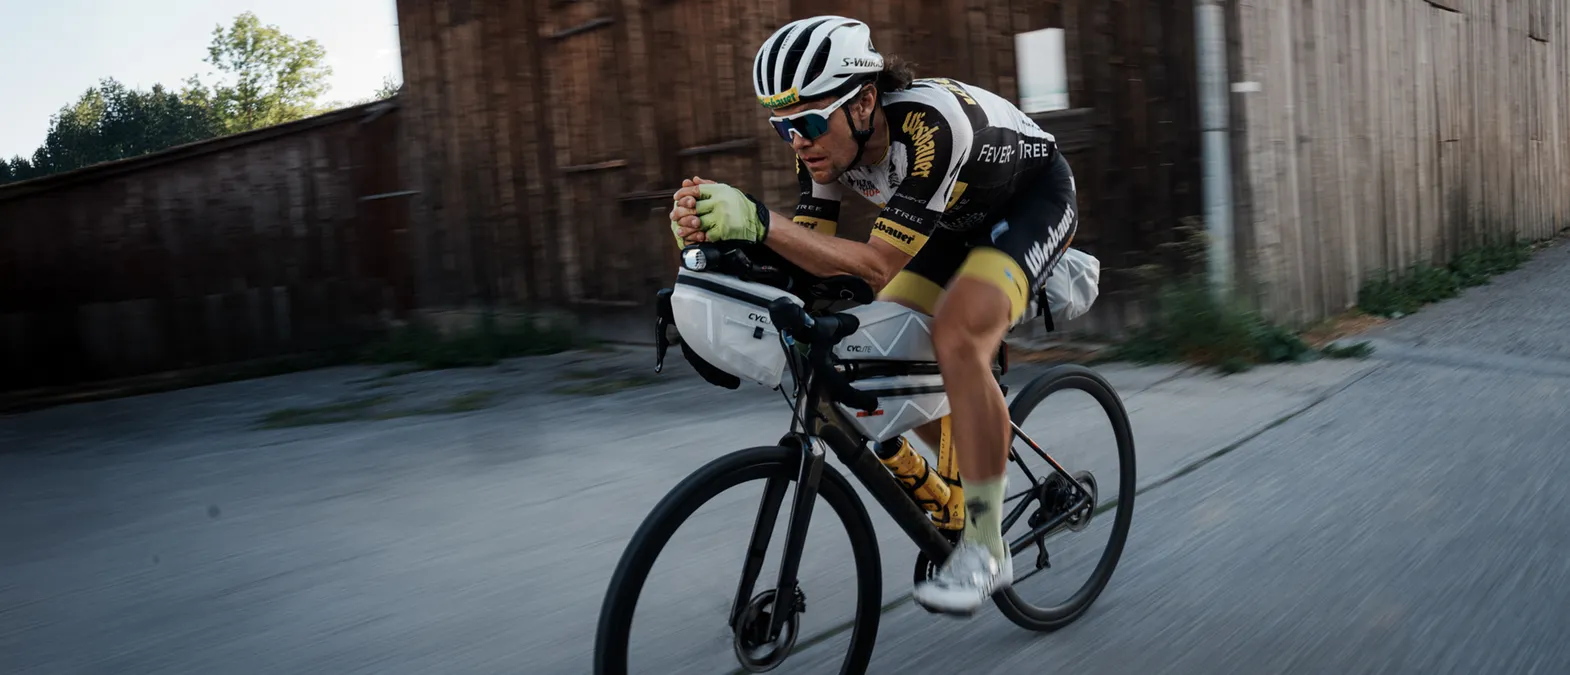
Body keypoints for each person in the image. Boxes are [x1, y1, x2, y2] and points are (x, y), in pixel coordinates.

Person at [668, 15, 1079, 616]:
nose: (798, 141)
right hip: (946, 224)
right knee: (880, 345)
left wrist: (758, 219)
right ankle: (958, 478)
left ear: (863, 103)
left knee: (958, 337)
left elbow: (879, 265)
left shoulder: (929, 125)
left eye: (808, 122)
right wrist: (718, 253)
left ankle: (988, 545)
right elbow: (809, 256)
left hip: (1029, 205)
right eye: (783, 128)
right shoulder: (824, 150)